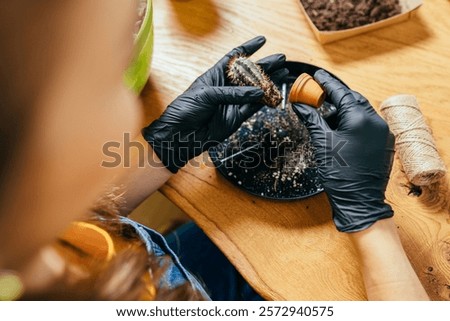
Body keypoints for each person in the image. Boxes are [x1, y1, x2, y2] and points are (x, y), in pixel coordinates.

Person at [0, 1, 428, 301]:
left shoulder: (22, 249)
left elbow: (77, 229)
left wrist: (165, 150)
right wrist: (368, 219)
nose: (127, 106)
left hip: (155, 268)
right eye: (106, 75)